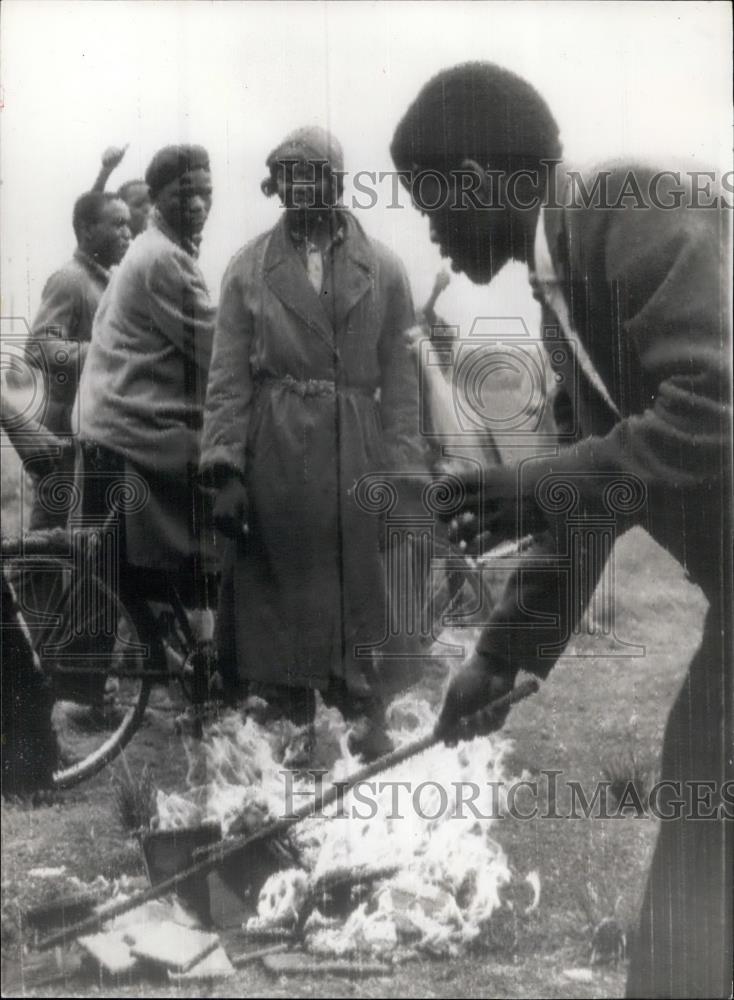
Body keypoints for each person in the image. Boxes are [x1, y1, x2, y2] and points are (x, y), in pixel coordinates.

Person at [391, 63, 732, 999]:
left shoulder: (635, 206)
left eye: (431, 202)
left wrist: (530, 488)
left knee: (706, 785)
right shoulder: (562, 290)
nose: (429, 228)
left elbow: (712, 412)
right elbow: (596, 494)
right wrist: (501, 655)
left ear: (478, 174)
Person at [200, 126, 427, 761]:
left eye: (313, 177)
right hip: (274, 448)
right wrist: (225, 470)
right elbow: (227, 376)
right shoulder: (248, 268)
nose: (301, 191)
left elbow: (402, 379)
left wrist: (405, 468)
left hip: (355, 447)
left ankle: (365, 718)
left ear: (336, 182)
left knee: (360, 583)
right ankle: (290, 730)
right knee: (280, 588)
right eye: (289, 178)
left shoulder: (382, 268)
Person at [76, 144, 217, 608]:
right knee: (233, 488)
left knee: (103, 589)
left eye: (205, 193)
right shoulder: (163, 259)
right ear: (156, 198)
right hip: (132, 430)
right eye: (183, 194)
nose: (196, 205)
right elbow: (216, 347)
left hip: (113, 421)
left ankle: (189, 639)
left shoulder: (155, 247)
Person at [24, 191, 131, 529]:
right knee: (51, 538)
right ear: (86, 231)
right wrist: (103, 352)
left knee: (82, 537)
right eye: (118, 224)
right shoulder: (71, 280)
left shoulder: (107, 280)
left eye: (128, 224)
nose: (128, 232)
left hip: (88, 430)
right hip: (62, 437)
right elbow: (39, 347)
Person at [92, 144, 152, 237]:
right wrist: (105, 171)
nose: (149, 209)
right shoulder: (116, 246)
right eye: (139, 204)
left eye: (153, 202)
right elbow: (90, 210)